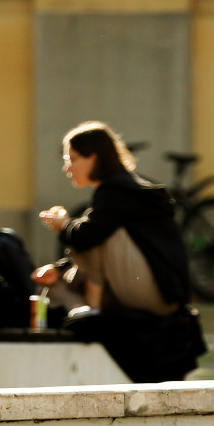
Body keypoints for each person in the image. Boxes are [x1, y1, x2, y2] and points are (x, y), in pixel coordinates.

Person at [36, 120, 190, 317]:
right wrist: (60, 268)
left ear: (94, 159)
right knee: (52, 284)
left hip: (156, 295)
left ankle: (93, 311)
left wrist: (64, 225)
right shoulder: (119, 188)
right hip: (158, 292)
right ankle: (85, 309)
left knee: (94, 236)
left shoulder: (116, 189)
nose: (67, 168)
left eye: (72, 159)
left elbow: (88, 236)